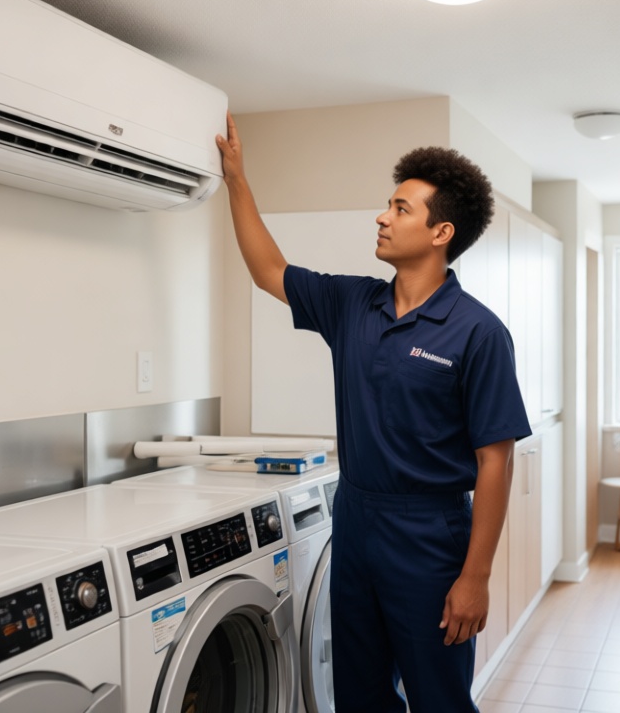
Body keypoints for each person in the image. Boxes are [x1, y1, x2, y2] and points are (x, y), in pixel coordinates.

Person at [217, 113, 530, 712]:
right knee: (358, 693)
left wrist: (476, 576)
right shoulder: (352, 303)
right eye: (387, 204)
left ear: (441, 233)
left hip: (430, 532)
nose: (383, 217)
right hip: (356, 517)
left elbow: (495, 459)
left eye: (401, 209)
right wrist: (236, 180)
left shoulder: (478, 332)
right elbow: (268, 271)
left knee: (437, 696)